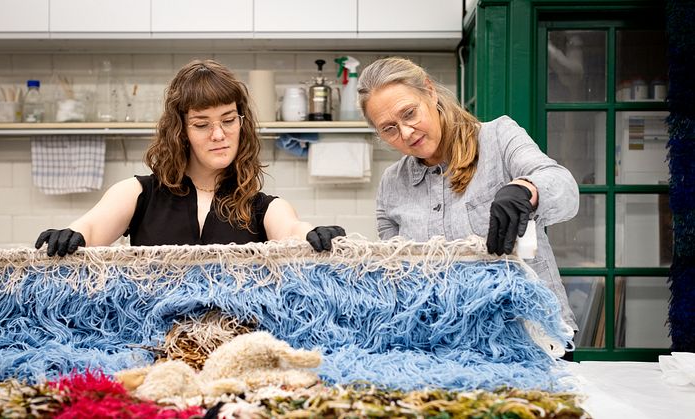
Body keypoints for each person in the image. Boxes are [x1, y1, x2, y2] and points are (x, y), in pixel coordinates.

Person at [36, 59, 345, 256]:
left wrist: (309, 233)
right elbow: (89, 228)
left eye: (228, 120)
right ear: (180, 130)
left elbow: (291, 230)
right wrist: (72, 233)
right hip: (156, 344)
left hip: (231, 345)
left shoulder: (264, 208)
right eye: (201, 124)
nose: (219, 135)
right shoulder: (137, 194)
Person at [357, 57, 579, 330]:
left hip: (532, 334)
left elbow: (564, 188)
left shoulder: (498, 137)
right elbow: (395, 277)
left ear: (430, 91)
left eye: (409, 113)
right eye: (389, 129)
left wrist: (527, 189)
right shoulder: (392, 183)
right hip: (442, 342)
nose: (405, 132)